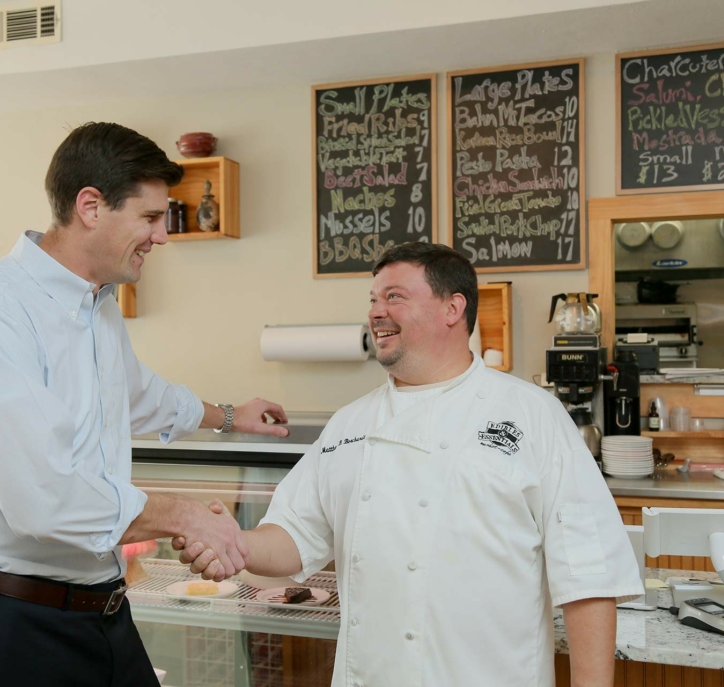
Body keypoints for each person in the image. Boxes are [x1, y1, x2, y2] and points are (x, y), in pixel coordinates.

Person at [0, 121, 289, 687]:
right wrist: (184, 516)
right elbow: (44, 496)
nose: (162, 236)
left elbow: (138, 394)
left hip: (102, 615)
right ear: (90, 206)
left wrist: (232, 415)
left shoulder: (99, 305)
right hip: (3, 624)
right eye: (150, 217)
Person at [177, 242, 643, 686]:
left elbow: (589, 578)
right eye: (374, 299)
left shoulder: (532, 416)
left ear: (452, 309)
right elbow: (293, 538)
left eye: (394, 297)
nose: (376, 311)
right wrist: (235, 542)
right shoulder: (348, 424)